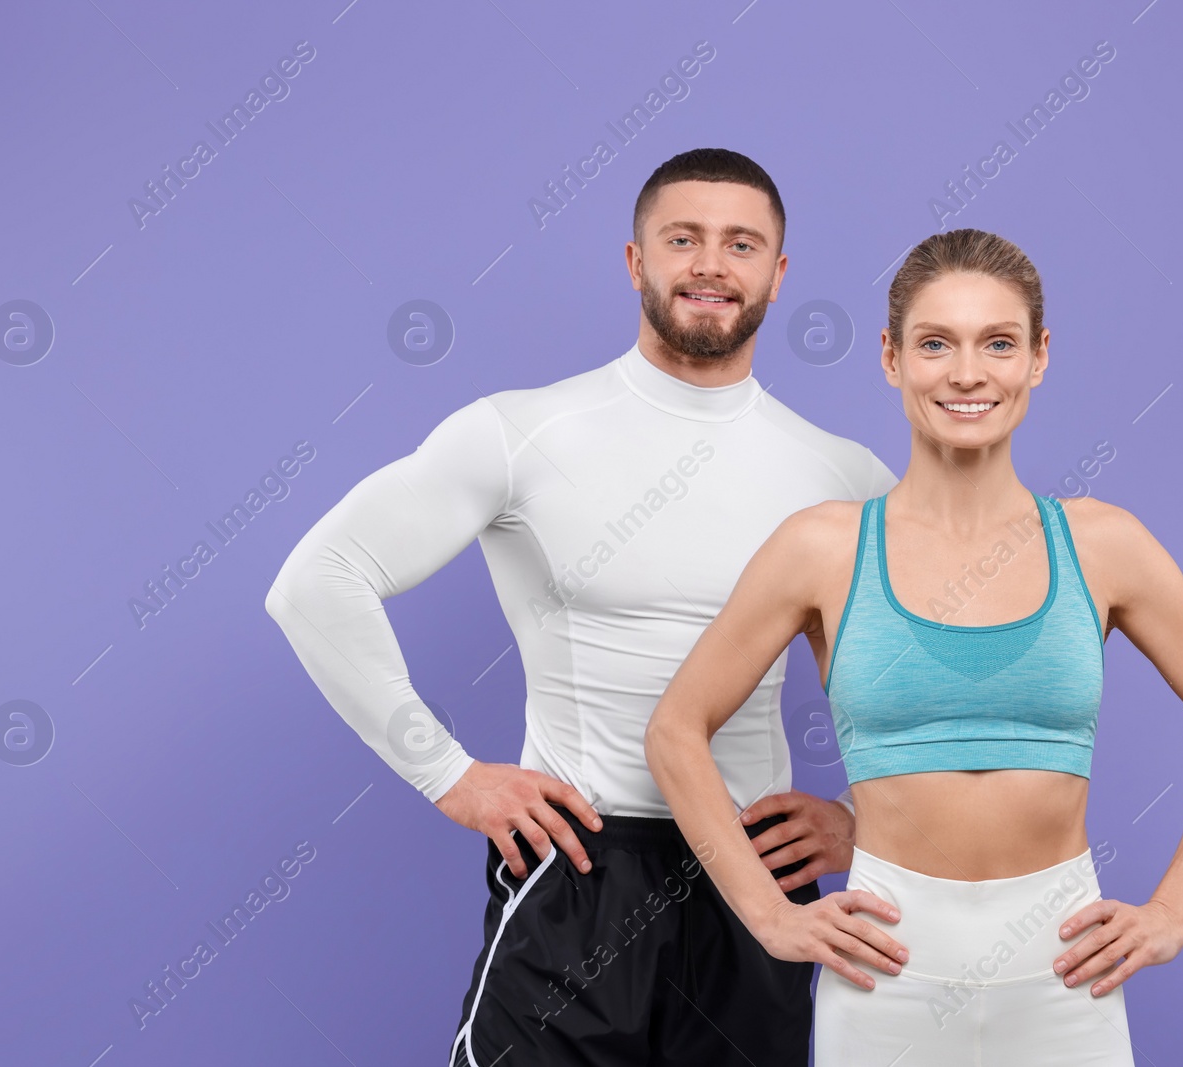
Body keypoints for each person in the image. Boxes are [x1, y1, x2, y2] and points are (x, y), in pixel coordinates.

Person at [263, 148, 899, 1066]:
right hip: (584, 870)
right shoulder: (521, 433)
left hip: (757, 884)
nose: (711, 265)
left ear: (778, 273)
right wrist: (446, 771)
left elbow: (931, 685)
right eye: (683, 239)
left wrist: (859, 815)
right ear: (636, 261)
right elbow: (316, 581)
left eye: (740, 244)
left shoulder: (842, 476)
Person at [645, 228, 1183, 1065]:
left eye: (999, 343)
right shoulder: (823, 548)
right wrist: (769, 913)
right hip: (884, 973)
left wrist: (1173, 911)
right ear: (890, 356)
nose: (968, 373)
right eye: (936, 343)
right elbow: (675, 729)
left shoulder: (1102, 543)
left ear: (1040, 357)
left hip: (1062, 973)